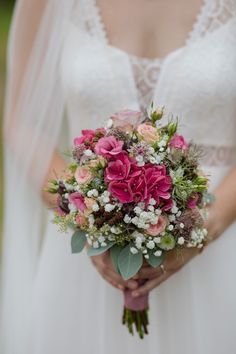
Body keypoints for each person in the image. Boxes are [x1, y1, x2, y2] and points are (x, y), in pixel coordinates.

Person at [1, 0, 236, 353]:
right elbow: (20, 121)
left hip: (221, 251)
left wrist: (203, 229)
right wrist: (85, 215)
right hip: (84, 266)